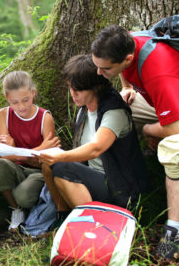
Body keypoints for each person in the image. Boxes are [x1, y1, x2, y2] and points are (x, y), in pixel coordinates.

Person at [91, 24, 179, 259]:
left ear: (127, 59)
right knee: (109, 109)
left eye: (105, 68)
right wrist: (127, 88)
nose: (99, 73)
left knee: (178, 148)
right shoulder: (129, 42)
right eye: (97, 65)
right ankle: (114, 192)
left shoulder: (158, 69)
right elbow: (128, 75)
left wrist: (148, 129)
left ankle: (173, 236)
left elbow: (173, 128)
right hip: (161, 101)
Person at [37, 54, 149, 226]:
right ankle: (63, 219)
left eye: (78, 90)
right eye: (70, 88)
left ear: (96, 87)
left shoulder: (114, 111)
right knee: (48, 166)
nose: (73, 94)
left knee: (61, 168)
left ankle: (92, 227)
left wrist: (60, 157)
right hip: (96, 179)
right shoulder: (85, 108)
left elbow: (96, 148)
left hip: (120, 186)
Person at [0, 71, 61, 231]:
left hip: (39, 173)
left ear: (33, 93)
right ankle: (17, 211)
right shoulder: (3, 115)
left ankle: (34, 211)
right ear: (7, 98)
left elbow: (46, 159)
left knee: (23, 196)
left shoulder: (45, 118)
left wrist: (14, 151)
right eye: (15, 102)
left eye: (26, 100)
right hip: (17, 169)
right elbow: (3, 154)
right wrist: (38, 150)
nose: (21, 106)